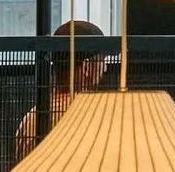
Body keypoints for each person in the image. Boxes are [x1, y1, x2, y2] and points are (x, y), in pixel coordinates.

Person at [14, 19, 109, 157]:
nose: (105, 68)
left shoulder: (31, 119)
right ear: (86, 68)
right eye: (102, 61)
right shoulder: (98, 116)